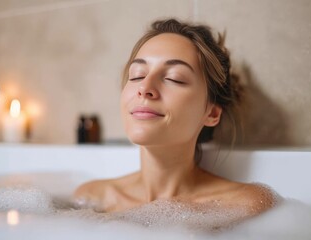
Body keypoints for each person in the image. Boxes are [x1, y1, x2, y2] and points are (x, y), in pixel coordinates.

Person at [74, 19, 276, 220]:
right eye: (136, 75)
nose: (144, 88)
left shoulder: (244, 206)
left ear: (212, 113)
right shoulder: (91, 198)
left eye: (174, 78)